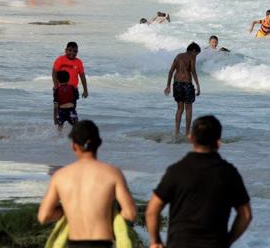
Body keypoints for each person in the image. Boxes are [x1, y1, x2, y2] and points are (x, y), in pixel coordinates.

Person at [145, 115, 251, 248]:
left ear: (191, 138)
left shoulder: (176, 171)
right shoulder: (229, 173)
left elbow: (152, 210)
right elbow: (245, 215)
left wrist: (155, 241)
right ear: (218, 141)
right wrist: (227, 241)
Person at [37, 121, 137, 247]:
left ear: (73, 146)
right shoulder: (113, 174)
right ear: (99, 143)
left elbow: (44, 216)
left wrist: (67, 211)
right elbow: (130, 213)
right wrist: (110, 213)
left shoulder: (60, 176)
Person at [164, 43, 202, 138]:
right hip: (187, 85)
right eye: (197, 53)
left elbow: (171, 71)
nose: (196, 55)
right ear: (193, 50)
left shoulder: (178, 56)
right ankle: (187, 133)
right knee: (188, 109)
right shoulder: (192, 57)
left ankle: (176, 132)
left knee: (179, 109)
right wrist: (198, 85)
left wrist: (168, 86)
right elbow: (193, 71)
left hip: (176, 84)